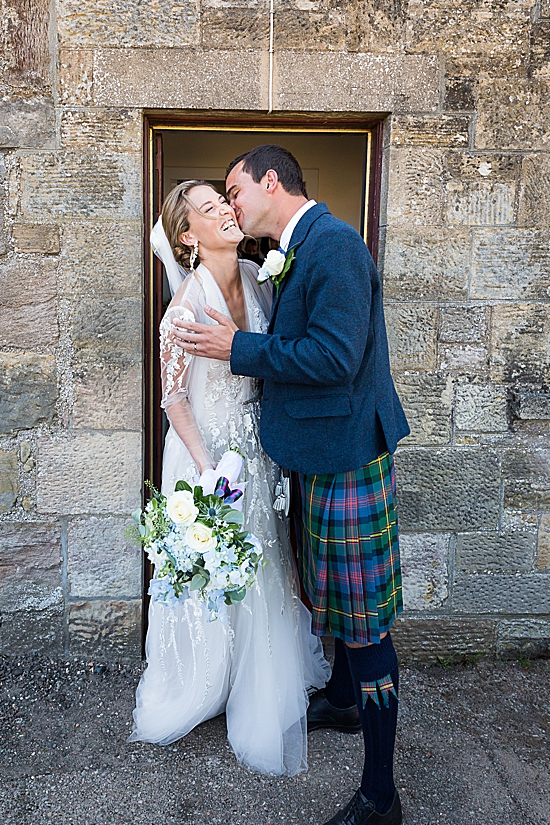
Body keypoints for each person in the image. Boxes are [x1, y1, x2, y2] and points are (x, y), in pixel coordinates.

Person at [172, 146, 410, 825]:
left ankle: (380, 794)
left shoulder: (333, 246)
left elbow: (335, 356)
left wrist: (237, 349)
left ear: (270, 181)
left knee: (364, 624)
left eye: (235, 188)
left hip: (345, 457)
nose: (231, 202)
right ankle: (340, 698)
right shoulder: (295, 247)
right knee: (326, 595)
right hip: (316, 453)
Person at [130, 180, 330, 776]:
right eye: (210, 208)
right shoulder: (184, 308)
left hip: (256, 447)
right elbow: (173, 401)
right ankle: (203, 680)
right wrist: (207, 471)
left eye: (225, 200)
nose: (226, 210)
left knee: (266, 559)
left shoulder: (255, 274)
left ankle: (261, 669)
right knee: (215, 572)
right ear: (188, 237)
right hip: (206, 458)